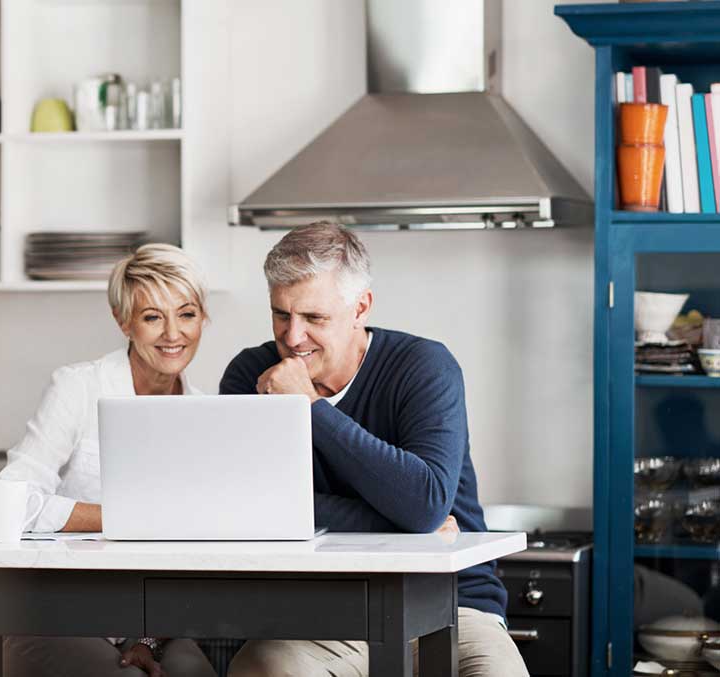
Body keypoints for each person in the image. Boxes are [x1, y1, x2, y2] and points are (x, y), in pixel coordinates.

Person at [218, 222, 529, 677]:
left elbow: (423, 501)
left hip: (451, 604)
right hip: (321, 616)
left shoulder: (424, 367)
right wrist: (401, 524)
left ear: (360, 306)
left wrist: (309, 406)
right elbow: (250, 510)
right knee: (263, 669)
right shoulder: (251, 375)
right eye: (281, 315)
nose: (293, 336)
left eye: (314, 318)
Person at [0, 243, 217, 677]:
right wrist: (122, 516)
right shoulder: (78, 388)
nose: (173, 334)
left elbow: (192, 550)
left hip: (152, 626)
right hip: (55, 614)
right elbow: (12, 501)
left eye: (187, 314)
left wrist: (149, 640)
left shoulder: (204, 412)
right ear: (124, 322)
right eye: (153, 317)